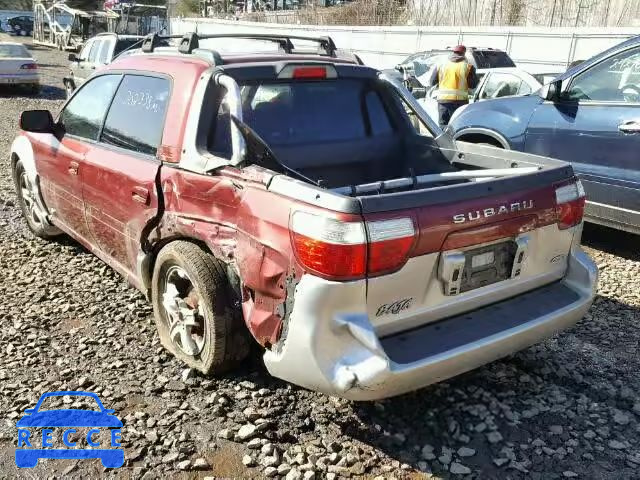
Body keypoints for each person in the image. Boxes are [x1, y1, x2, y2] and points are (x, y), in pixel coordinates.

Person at [429, 45, 479, 128]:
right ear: (464, 54)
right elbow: (473, 85)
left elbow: (432, 82)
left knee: (443, 126)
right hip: (460, 102)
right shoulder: (468, 66)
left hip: (443, 101)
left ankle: (443, 141)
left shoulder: (441, 65)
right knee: (457, 126)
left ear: (453, 52)